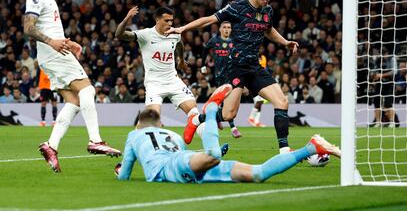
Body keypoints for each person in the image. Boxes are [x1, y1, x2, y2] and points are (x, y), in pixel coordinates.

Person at [166, 0, 299, 154]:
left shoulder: (267, 11)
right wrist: (182, 28)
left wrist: (285, 42)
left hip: (254, 65)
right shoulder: (238, 7)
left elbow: (269, 30)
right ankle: (197, 119)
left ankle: (284, 151)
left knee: (282, 102)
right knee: (229, 115)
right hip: (236, 66)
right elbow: (209, 19)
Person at [115, 84, 341, 183]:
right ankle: (311, 147)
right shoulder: (172, 136)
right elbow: (185, 156)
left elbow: (125, 174)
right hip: (190, 170)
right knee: (258, 174)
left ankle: (212, 111)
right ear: (161, 123)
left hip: (172, 171)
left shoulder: (134, 136)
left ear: (140, 124)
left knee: (212, 155)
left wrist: (120, 173)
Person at [23, 0, 121, 173]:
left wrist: (66, 41)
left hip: (54, 52)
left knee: (74, 101)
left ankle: (51, 145)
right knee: (87, 89)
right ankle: (95, 139)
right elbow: (28, 28)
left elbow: (48, 28)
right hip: (54, 53)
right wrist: (53, 42)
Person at [115, 6, 200, 144]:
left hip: (173, 81)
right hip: (154, 84)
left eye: (171, 21)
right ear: (157, 20)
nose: (170, 24)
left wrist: (181, 59)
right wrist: (126, 19)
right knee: (151, 120)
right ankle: (130, 150)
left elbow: (179, 45)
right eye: (166, 21)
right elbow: (119, 35)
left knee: (194, 112)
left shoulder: (174, 33)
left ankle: (212, 151)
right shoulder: (146, 34)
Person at [202, 21, 242, 138]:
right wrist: (203, 65)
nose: (226, 29)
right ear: (220, 29)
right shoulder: (215, 41)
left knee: (228, 101)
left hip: (232, 74)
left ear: (231, 30)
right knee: (223, 100)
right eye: (224, 27)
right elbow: (205, 49)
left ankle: (220, 120)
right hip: (219, 75)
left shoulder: (234, 42)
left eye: (228, 27)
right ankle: (233, 127)